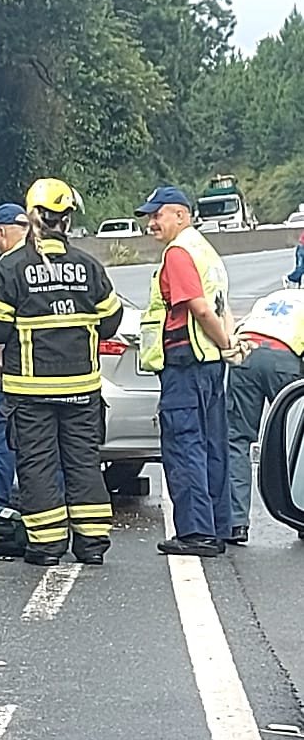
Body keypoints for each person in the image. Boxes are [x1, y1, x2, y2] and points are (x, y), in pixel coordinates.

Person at [0, 178, 123, 567]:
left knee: (37, 465)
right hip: (83, 390)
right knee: (82, 462)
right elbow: (110, 321)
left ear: (31, 217)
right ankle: (92, 544)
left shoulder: (11, 268)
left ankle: (47, 546)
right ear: (67, 219)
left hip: (31, 391)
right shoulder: (89, 267)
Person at [135, 186, 233, 557]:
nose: (151, 223)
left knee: (184, 445)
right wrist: (227, 345)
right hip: (207, 365)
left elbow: (199, 308)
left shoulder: (177, 253)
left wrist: (223, 341)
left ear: (181, 215)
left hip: (185, 364)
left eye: (158, 215)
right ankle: (217, 525)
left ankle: (195, 532)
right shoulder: (205, 250)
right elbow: (219, 305)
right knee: (212, 447)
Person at [227, 288, 304, 543]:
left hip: (247, 353)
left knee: (237, 439)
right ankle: (300, 513)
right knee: (297, 437)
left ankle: (236, 523)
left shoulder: (274, 296)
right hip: (284, 359)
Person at [0, 203, 30, 507]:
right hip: (62, 374)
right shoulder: (45, 260)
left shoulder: (6, 266)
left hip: (18, 372)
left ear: (1, 233)